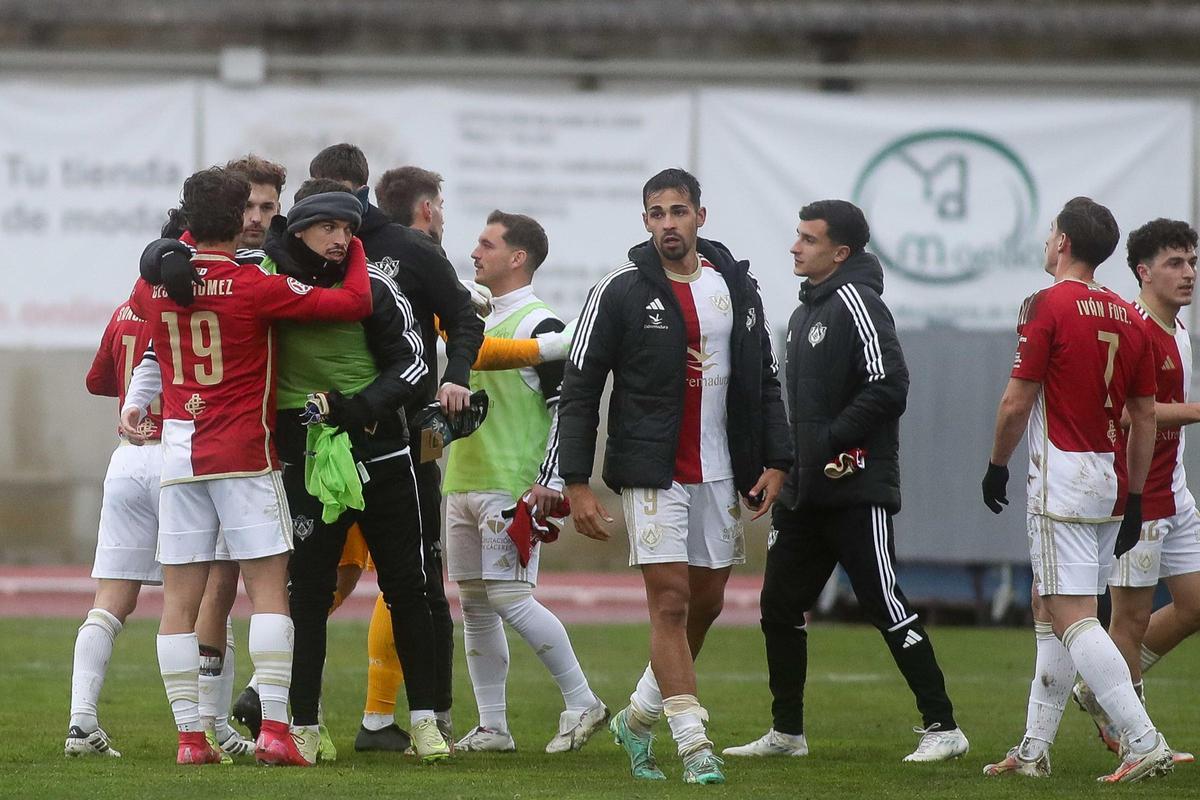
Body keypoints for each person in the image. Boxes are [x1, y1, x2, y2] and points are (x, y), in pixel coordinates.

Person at [122, 166, 371, 766]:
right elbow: (355, 300)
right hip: (244, 456)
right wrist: (357, 243)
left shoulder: (155, 287)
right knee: (267, 593)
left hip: (181, 454)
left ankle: (189, 738)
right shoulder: (254, 285)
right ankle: (277, 732)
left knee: (179, 602)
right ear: (239, 220)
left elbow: (150, 329)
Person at [556, 168, 791, 785]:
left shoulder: (735, 286)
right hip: (651, 472)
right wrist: (575, 482)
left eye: (678, 211)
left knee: (707, 604)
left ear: (699, 217)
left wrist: (777, 458)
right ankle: (693, 741)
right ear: (645, 222)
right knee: (670, 601)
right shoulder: (619, 288)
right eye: (656, 213)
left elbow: (763, 376)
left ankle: (636, 717)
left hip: (721, 470)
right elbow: (580, 388)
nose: (668, 223)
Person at [724, 200, 967, 763]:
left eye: (808, 239)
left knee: (885, 602)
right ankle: (787, 733)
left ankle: (943, 726)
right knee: (778, 606)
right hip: (807, 493)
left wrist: (830, 440)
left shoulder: (858, 302)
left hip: (855, 487)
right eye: (797, 236)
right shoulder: (805, 310)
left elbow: (890, 387)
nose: (794, 246)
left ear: (840, 252)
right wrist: (786, 464)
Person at [980, 197, 1174, 783]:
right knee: (1050, 608)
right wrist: (1136, 497)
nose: (1047, 240)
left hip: (1061, 478)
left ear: (1063, 241)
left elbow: (1018, 400)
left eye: (1050, 233)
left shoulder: (1049, 305)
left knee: (1071, 614)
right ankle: (1034, 751)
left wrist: (996, 465)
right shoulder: (1129, 314)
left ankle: (1143, 740)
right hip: (1109, 480)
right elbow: (1146, 416)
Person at [306, 144, 482, 747]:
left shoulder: (407, 252)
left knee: (415, 576)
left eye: (340, 208)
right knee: (322, 573)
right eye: (319, 213)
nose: (331, 225)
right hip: (319, 444)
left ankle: (427, 714)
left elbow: (462, 319)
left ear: (360, 193)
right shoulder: (292, 255)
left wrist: (455, 373)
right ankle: (285, 707)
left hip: (404, 439)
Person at [444, 210, 607, 753]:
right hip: (461, 477)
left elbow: (568, 408)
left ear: (518, 258)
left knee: (510, 597)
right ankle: (494, 726)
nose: (474, 253)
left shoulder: (541, 325)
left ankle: (582, 700)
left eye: (487, 244)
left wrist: (553, 479)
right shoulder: (472, 323)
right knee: (474, 604)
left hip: (510, 482)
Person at [1072, 219, 1200, 763]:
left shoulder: (1179, 329)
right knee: (1128, 620)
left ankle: (1102, 686)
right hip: (1138, 496)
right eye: (1175, 263)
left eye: (1192, 261)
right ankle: (1138, 740)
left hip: (1175, 491)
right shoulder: (1134, 329)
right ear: (1143, 272)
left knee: (1194, 606)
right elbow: (1127, 415)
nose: (1189, 273)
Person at [64, 298, 165, 759]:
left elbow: (97, 380)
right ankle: (208, 729)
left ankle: (81, 722)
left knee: (110, 601)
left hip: (127, 457)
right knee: (205, 597)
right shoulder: (203, 297)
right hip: (182, 457)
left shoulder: (127, 309)